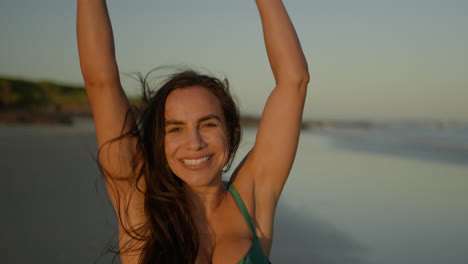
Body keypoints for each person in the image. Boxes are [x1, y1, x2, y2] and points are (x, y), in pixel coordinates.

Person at [77, 0, 309, 263]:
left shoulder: (253, 197)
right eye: (175, 129)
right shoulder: (139, 202)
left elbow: (294, 80)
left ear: (230, 132)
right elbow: (100, 83)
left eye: (208, 124)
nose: (195, 142)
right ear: (159, 141)